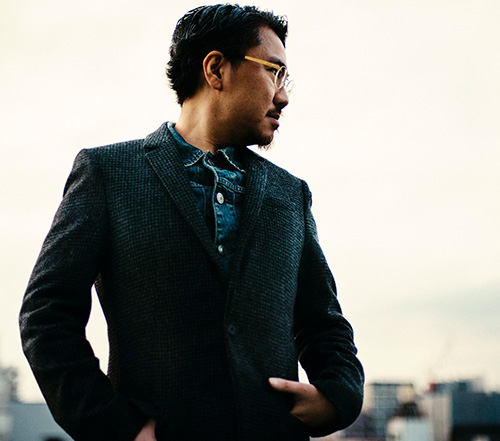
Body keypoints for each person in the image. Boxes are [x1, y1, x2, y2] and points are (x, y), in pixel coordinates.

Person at [19, 4, 364, 441]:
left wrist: (338, 395)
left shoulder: (290, 194)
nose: (284, 96)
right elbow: (47, 316)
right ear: (216, 69)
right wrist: (116, 426)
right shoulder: (108, 174)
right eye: (274, 72)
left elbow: (324, 322)